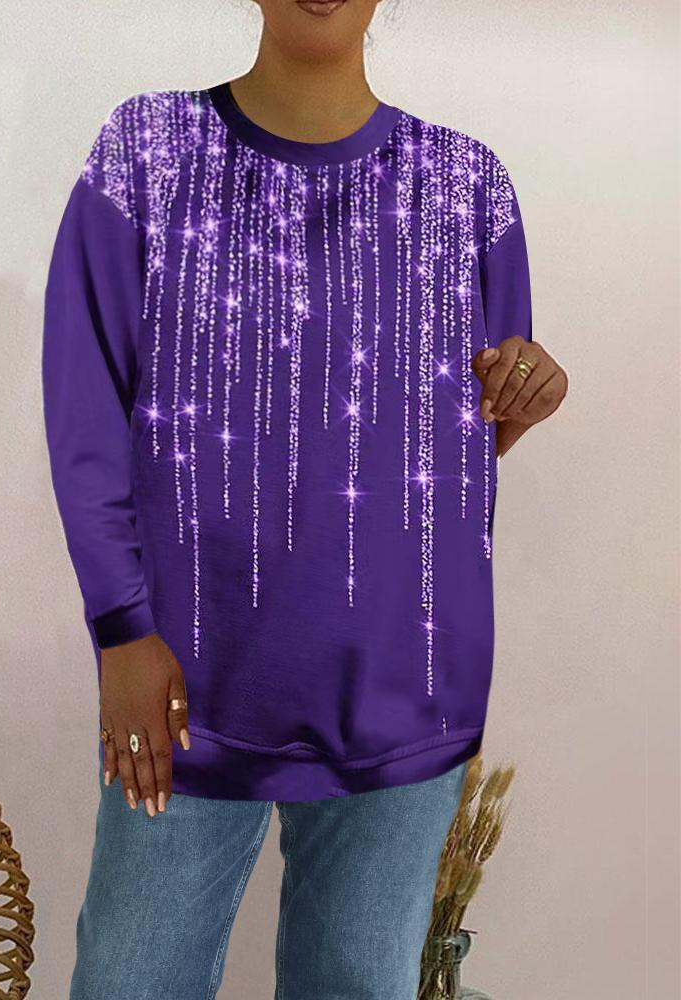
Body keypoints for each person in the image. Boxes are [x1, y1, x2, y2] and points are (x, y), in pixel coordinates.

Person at [41, 1, 567, 996]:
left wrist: (527, 393)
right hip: (183, 687)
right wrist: (120, 631)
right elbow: (84, 405)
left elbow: (461, 433)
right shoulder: (147, 154)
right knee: (127, 978)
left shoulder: (467, 187)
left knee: (358, 982)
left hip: (406, 690)